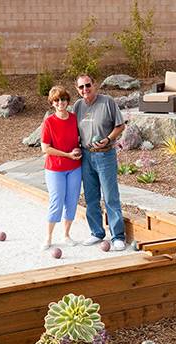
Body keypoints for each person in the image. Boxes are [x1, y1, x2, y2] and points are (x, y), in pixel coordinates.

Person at [74, 73, 126, 251]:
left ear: (94, 85)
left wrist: (108, 139)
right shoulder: (78, 106)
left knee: (111, 196)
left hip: (105, 154)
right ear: (77, 89)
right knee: (91, 197)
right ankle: (96, 233)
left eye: (87, 85)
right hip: (86, 156)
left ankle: (118, 236)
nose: (85, 89)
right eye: (81, 87)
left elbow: (120, 125)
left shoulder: (107, 101)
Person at [41, 85, 82, 250]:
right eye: (56, 100)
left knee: (72, 201)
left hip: (74, 167)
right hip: (55, 169)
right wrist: (67, 155)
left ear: (67, 100)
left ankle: (66, 235)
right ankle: (48, 237)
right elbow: (46, 148)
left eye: (63, 99)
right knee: (56, 201)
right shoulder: (49, 122)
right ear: (52, 103)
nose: (60, 103)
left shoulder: (74, 118)